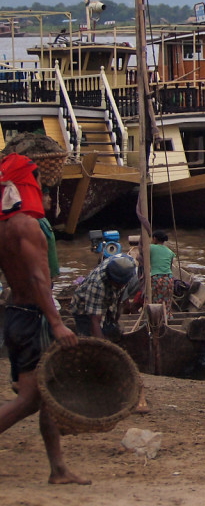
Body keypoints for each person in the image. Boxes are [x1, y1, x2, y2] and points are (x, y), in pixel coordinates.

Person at [0, 152, 89, 485]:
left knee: (48, 394)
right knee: (30, 400)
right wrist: (56, 322)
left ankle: (58, 469)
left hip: (15, 313)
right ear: (27, 183)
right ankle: (58, 469)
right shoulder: (27, 226)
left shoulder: (6, 225)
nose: (42, 185)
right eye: (37, 179)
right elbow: (39, 280)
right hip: (32, 317)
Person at [66, 254, 137, 338]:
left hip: (106, 302)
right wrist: (103, 346)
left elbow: (120, 292)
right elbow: (94, 320)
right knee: (90, 338)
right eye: (118, 285)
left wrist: (116, 315)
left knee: (112, 330)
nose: (121, 286)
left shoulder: (128, 264)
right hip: (84, 309)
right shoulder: (97, 285)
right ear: (112, 280)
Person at [148, 230, 176, 313]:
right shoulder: (170, 252)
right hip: (169, 279)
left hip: (156, 278)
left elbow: (141, 255)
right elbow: (170, 267)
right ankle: (166, 317)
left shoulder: (151, 247)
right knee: (166, 301)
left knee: (155, 301)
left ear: (155, 239)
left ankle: (155, 320)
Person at [39, 188, 59, 281]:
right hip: (41, 277)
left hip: (48, 276)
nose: (50, 199)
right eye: (46, 195)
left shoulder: (43, 220)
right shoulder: (35, 223)